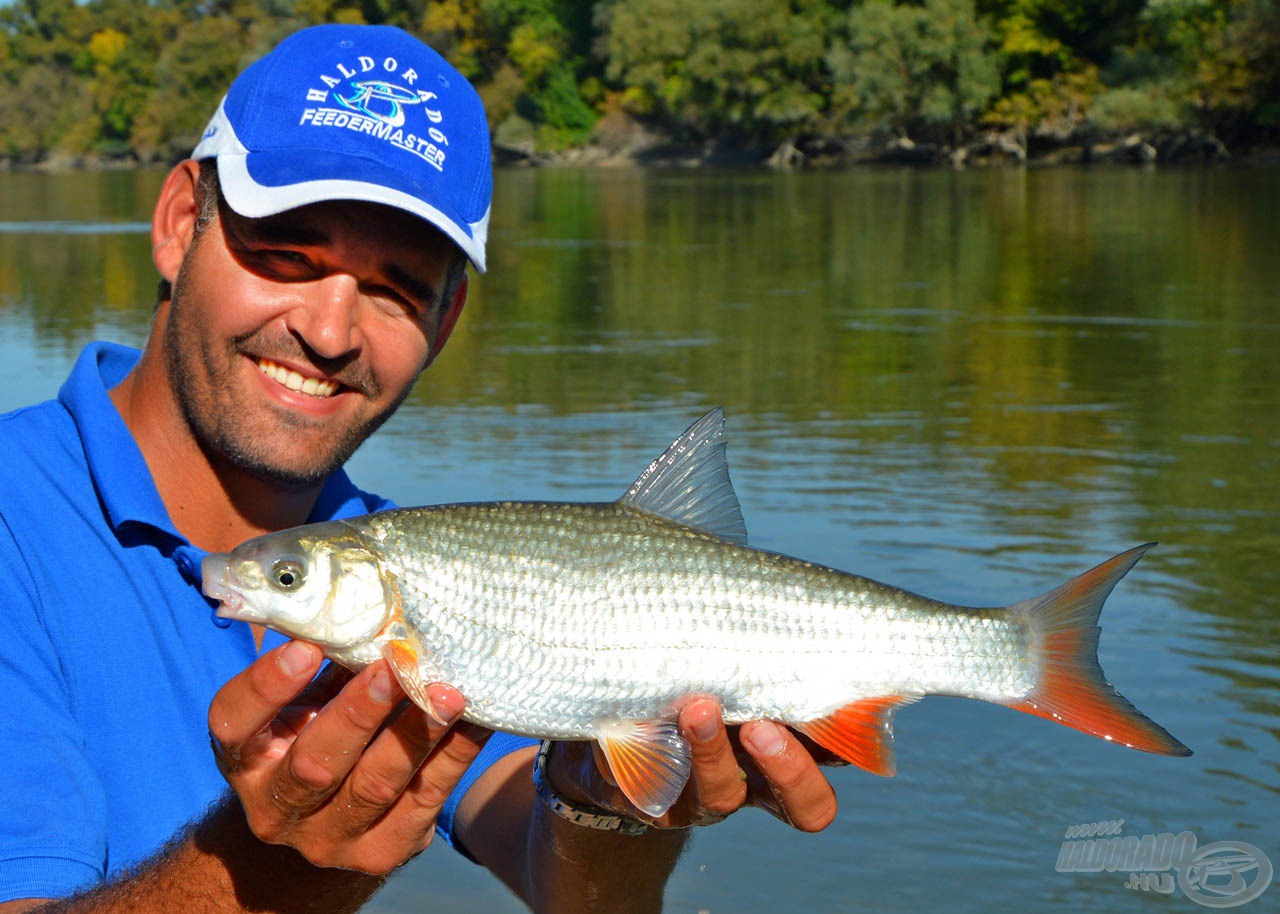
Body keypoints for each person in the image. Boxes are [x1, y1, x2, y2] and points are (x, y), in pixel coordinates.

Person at [0, 24, 839, 914]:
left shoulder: (427, 566)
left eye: (396, 288)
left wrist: (606, 806)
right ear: (178, 225)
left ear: (444, 323)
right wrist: (285, 870)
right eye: (288, 256)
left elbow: (569, 888)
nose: (329, 332)